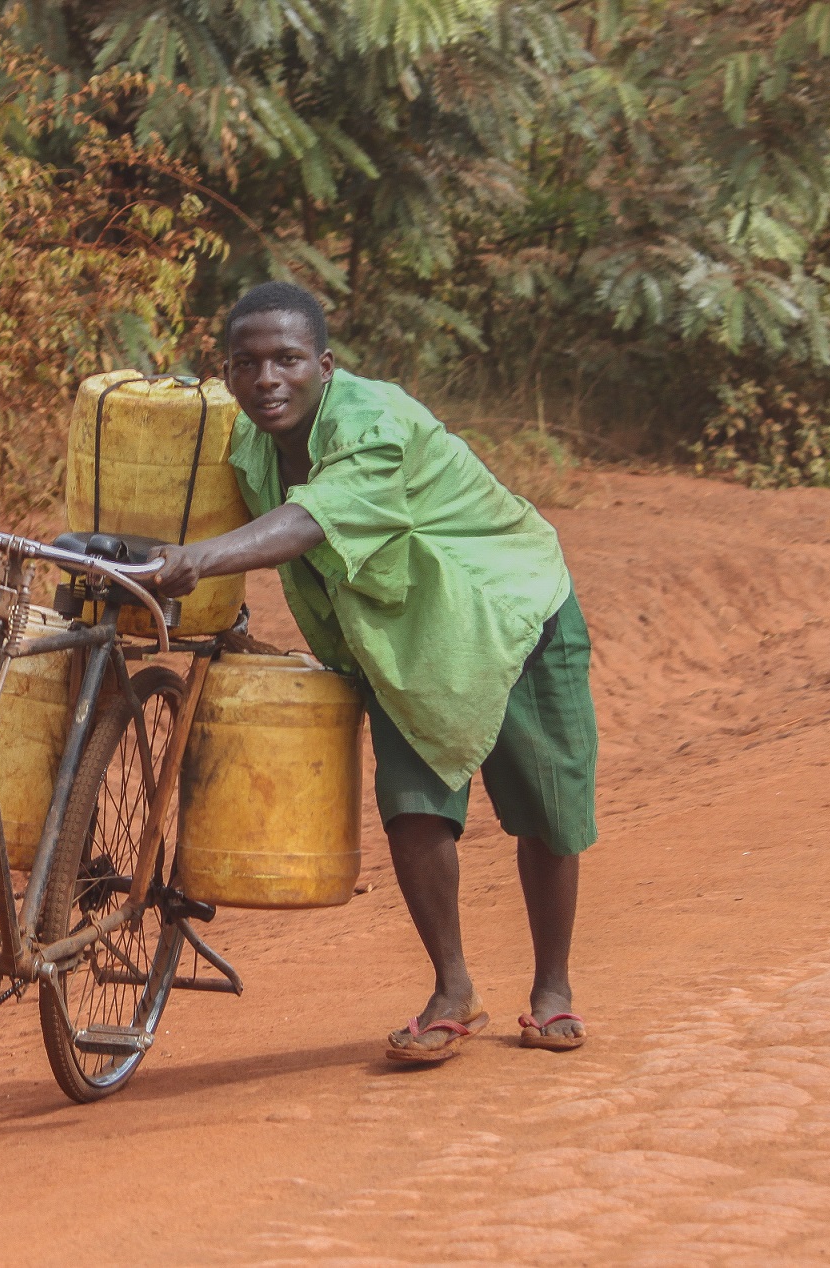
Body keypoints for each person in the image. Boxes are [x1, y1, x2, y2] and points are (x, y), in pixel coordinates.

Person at [150, 281, 598, 1061]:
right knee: (412, 809)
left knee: (546, 808)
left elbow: (310, 518)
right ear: (226, 374)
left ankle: (552, 988)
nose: (267, 380)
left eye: (287, 360)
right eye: (247, 364)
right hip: (401, 631)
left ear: (324, 364)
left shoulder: (370, 422)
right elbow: (206, 514)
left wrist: (200, 559)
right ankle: (452, 989)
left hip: (507, 609)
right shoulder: (249, 443)